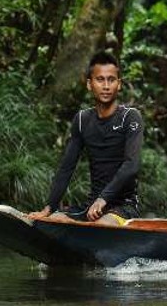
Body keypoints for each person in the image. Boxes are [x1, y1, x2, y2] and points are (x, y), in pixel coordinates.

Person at [29, 51, 143, 225]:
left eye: (111, 80)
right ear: (90, 84)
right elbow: (67, 167)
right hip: (92, 206)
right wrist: (49, 207)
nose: (106, 86)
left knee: (102, 225)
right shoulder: (82, 120)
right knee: (54, 220)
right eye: (100, 79)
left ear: (118, 84)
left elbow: (131, 165)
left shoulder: (130, 117)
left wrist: (103, 199)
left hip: (124, 207)